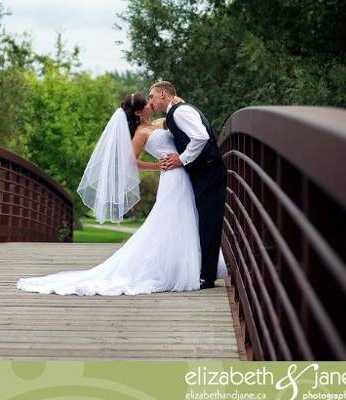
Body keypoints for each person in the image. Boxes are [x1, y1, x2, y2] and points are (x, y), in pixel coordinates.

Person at [16, 92, 226, 296]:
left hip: (185, 173)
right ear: (137, 112)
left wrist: (176, 101)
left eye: (151, 99)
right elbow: (129, 162)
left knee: (188, 218)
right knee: (172, 219)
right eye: (146, 102)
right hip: (171, 176)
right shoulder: (141, 134)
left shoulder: (162, 122)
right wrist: (156, 165)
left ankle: (194, 266)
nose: (150, 103)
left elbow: (180, 120)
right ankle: (177, 270)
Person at [148, 81, 227, 290]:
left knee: (209, 223)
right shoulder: (176, 111)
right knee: (204, 222)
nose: (150, 101)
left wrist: (182, 159)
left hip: (209, 172)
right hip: (204, 173)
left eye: (152, 96)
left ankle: (207, 277)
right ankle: (204, 273)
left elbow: (200, 136)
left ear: (162, 94)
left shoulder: (180, 112)